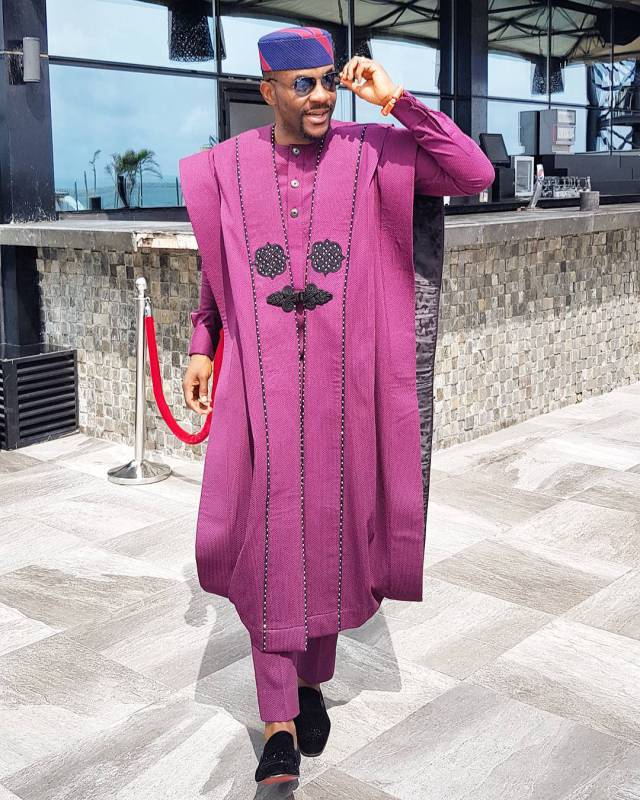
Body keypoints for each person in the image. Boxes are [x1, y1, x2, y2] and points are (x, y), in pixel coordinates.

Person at [179, 25, 494, 785]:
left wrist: (397, 100)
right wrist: (201, 341)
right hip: (258, 387)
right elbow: (220, 263)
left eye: (329, 81)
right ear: (268, 92)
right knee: (264, 540)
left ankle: (311, 681)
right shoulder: (227, 166)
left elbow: (473, 171)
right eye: (305, 85)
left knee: (328, 532)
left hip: (344, 390)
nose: (322, 96)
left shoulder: (372, 150)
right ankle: (277, 721)